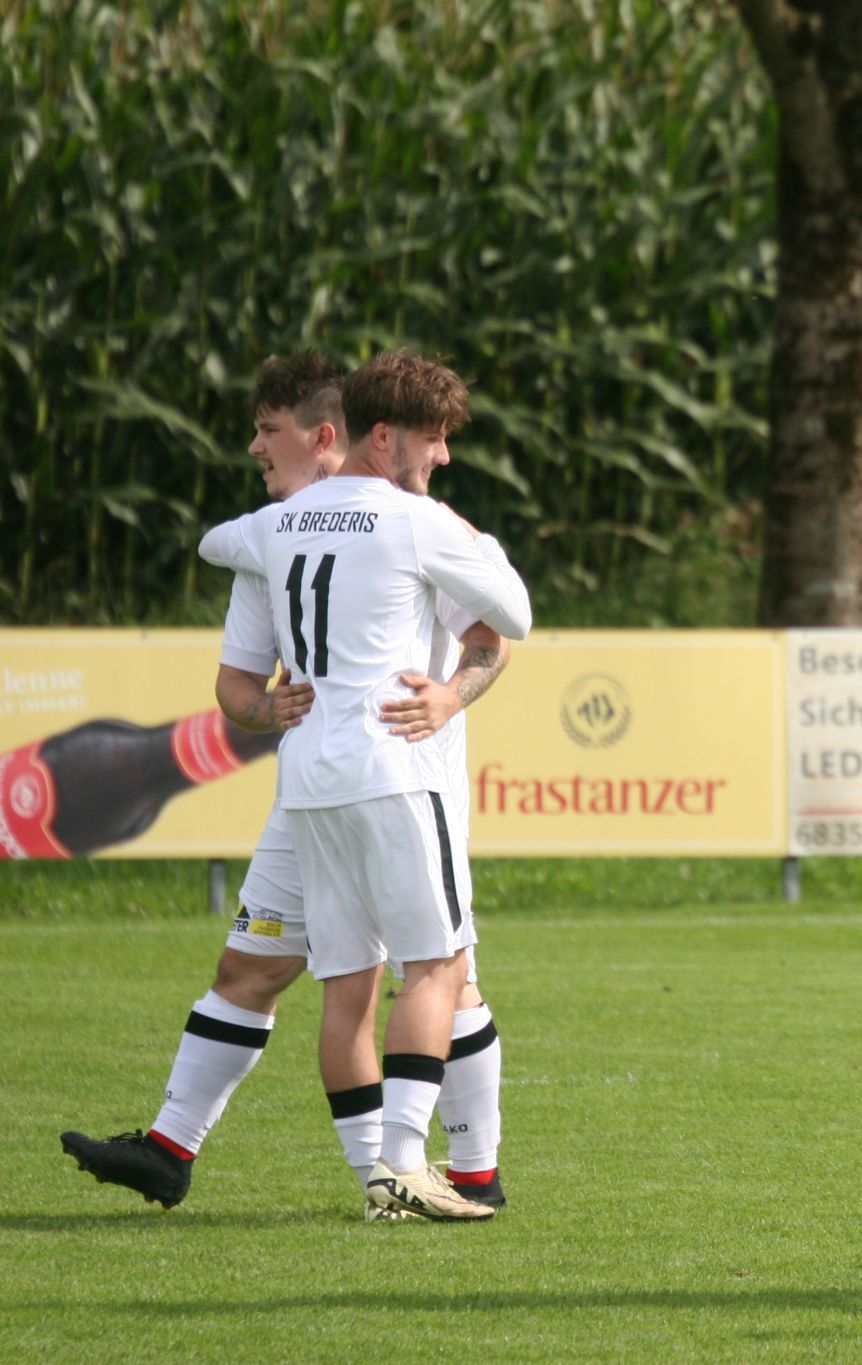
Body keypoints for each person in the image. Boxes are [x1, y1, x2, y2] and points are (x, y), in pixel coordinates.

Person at [59, 352, 514, 1218]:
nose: (254, 447)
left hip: (402, 783)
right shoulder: (271, 541)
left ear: (327, 436)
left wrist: (447, 697)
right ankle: (171, 1148)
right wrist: (265, 708)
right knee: (253, 966)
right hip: (312, 795)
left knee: (446, 974)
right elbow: (236, 687)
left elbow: (492, 637)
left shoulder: (414, 523)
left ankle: (474, 1170)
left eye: (267, 430)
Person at [258, 348, 530, 1221]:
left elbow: (217, 542)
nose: (443, 456)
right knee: (440, 964)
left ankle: (374, 1177)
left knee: (346, 988)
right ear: (383, 436)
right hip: (391, 764)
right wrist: (464, 540)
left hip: (309, 776)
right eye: (435, 438)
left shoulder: (285, 519)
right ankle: (408, 1161)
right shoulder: (414, 519)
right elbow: (515, 615)